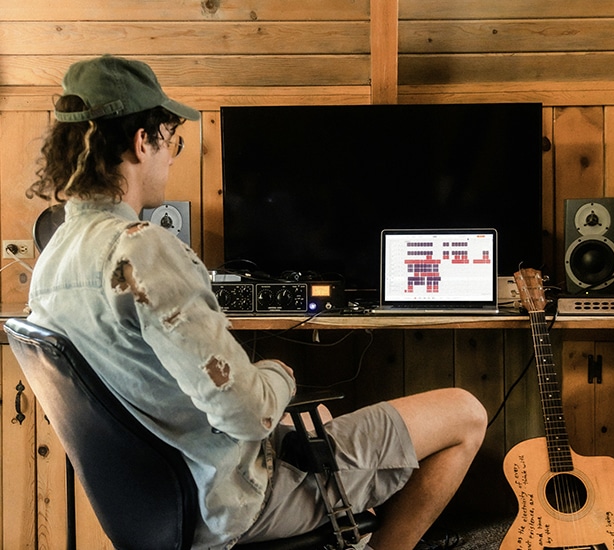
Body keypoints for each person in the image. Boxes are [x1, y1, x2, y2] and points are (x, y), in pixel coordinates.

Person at [26, 55, 488, 550]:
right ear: (143, 141)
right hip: (235, 500)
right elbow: (250, 415)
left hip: (170, 501)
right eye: (171, 142)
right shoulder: (139, 247)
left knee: (322, 421)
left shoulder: (53, 261)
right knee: (465, 413)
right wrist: (279, 372)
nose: (171, 158)